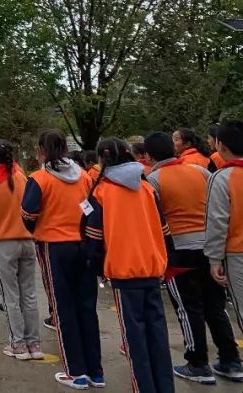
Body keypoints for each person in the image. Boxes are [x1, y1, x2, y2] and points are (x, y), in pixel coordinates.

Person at [145, 131, 241, 384]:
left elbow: (154, 219)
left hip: (179, 250)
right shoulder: (201, 172)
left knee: (189, 308)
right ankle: (231, 360)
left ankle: (198, 363)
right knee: (215, 306)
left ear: (148, 155)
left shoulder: (153, 179)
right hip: (209, 248)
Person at [82, 138, 174, 393]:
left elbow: (93, 238)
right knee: (158, 337)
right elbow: (165, 231)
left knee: (135, 341)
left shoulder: (103, 192)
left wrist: (97, 267)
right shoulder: (146, 188)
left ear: (103, 160)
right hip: (153, 269)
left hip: (124, 273)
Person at [22, 130, 102, 390]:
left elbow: (28, 213)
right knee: (87, 307)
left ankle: (76, 372)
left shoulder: (39, 178)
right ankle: (95, 372)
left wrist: (41, 229)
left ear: (41, 150)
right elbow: (91, 208)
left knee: (63, 308)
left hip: (54, 246)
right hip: (83, 245)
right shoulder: (83, 176)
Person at [0, 140, 41, 361]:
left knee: (10, 295)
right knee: (29, 294)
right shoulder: (21, 176)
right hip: (28, 241)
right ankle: (34, 343)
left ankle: (18, 344)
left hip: (5, 243)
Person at [205, 120, 243, 382]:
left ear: (221, 145)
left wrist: (214, 259)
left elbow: (218, 221)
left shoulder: (223, 177)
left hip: (237, 253)